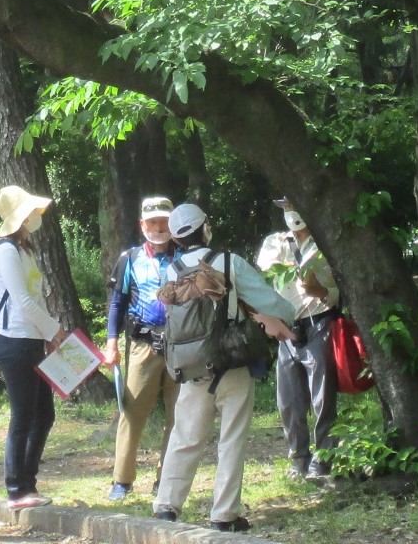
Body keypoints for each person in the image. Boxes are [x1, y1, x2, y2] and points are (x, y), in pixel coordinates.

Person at [152, 203, 296, 532]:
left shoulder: (171, 270)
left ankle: (166, 507)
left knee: (185, 436)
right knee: (231, 438)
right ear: (205, 228)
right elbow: (268, 301)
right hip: (230, 360)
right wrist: (292, 316)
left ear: (176, 237)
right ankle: (224, 514)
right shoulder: (229, 262)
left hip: (191, 365)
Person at [0, 185, 69, 511]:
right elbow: (21, 301)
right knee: (23, 415)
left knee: (44, 415)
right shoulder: (5, 251)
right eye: (31, 212)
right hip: (13, 342)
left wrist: (48, 334)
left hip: (32, 340)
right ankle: (15, 489)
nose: (37, 217)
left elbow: (34, 299)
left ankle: (28, 483)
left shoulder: (25, 249)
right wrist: (54, 329)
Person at [257, 199, 340, 480]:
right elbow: (267, 276)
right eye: (285, 206)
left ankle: (324, 456)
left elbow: (336, 292)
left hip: (320, 321)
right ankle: (298, 457)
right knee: (288, 399)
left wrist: (319, 291)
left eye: (294, 204)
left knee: (322, 394)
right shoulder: (275, 243)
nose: (291, 210)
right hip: (288, 327)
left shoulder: (325, 242)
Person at [103, 195, 180, 500]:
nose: (159, 227)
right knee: (132, 411)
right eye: (153, 222)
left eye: (164, 222)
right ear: (142, 225)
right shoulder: (130, 258)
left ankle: (167, 479)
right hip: (143, 344)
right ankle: (122, 480)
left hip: (180, 344)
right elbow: (117, 303)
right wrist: (111, 343)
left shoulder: (187, 256)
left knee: (179, 415)